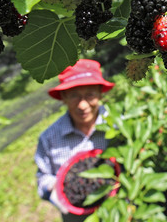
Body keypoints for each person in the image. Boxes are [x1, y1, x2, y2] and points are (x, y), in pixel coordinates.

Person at [35, 59, 114, 221]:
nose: (83, 105)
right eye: (74, 96)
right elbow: (43, 177)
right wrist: (53, 190)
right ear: (63, 97)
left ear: (100, 93)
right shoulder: (49, 138)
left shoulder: (118, 126)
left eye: (90, 95)